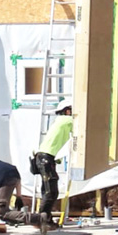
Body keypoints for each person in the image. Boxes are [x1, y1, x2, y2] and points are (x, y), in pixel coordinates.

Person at [33, 97, 73, 226]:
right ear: (67, 111)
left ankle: (45, 219)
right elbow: (84, 123)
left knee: (47, 190)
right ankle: (42, 220)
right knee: (51, 191)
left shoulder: (61, 121)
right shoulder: (67, 120)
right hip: (46, 159)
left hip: (44, 158)